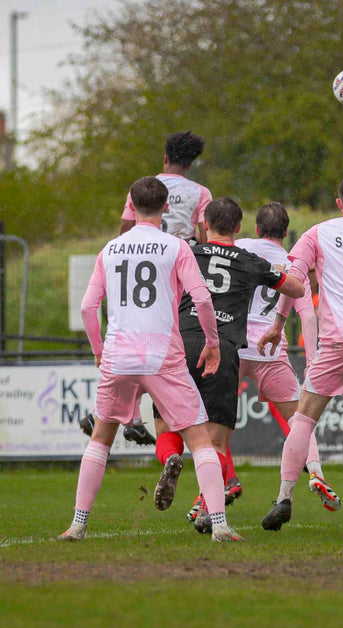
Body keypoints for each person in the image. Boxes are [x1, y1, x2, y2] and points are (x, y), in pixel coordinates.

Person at [60, 176, 241, 542]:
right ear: (167, 207)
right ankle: (220, 525)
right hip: (163, 356)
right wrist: (212, 343)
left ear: (131, 204)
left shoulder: (110, 250)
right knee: (199, 439)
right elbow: (202, 300)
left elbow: (87, 307)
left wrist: (98, 350)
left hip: (118, 356)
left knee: (100, 438)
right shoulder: (176, 247)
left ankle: (78, 524)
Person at [151, 197, 303, 534]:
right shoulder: (250, 260)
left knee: (167, 428)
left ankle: (170, 459)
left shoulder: (186, 252)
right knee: (215, 443)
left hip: (181, 345)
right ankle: (209, 510)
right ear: (238, 227)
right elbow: (296, 287)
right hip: (222, 349)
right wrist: (273, 273)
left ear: (204, 225)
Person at [256, 175, 343, 532]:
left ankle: (284, 497)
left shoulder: (319, 232)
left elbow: (291, 279)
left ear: (338, 202)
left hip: (340, 336)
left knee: (303, 418)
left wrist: (277, 323)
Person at [78, 131, 213, 445]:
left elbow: (126, 229)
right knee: (167, 352)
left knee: (133, 339)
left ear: (165, 157)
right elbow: (204, 237)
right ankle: (168, 427)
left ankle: (122, 417)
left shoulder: (142, 187)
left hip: (138, 274)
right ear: (191, 164)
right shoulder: (200, 192)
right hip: (175, 274)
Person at [232, 202, 319, 495]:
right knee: (299, 418)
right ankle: (316, 471)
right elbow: (307, 315)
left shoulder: (240, 246)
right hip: (270, 349)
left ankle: (217, 489)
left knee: (213, 425)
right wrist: (312, 361)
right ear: (285, 232)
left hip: (234, 343)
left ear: (256, 229)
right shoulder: (293, 262)